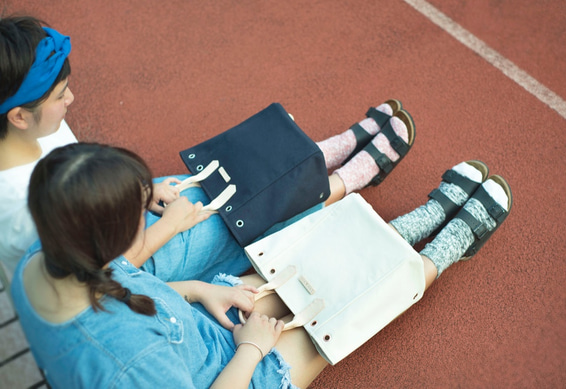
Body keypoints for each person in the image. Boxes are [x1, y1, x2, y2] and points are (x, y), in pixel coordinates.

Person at [11, 143, 512, 388]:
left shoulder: (44, 261)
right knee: (344, 306)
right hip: (231, 373)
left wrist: (195, 289)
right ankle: (442, 249)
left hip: (186, 330)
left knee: (300, 264)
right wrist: (250, 352)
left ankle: (405, 228)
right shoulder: (128, 368)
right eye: (138, 219)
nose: (149, 225)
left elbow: (127, 278)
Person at [0, 15, 416, 281]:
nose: (71, 100)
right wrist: (171, 225)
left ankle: (323, 154)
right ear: (19, 115)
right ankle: (349, 179)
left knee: (226, 171)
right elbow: (105, 270)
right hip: (128, 264)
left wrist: (142, 189)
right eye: (61, 95)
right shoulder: (18, 207)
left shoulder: (27, 127)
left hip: (113, 217)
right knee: (251, 212)